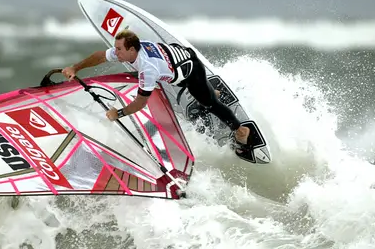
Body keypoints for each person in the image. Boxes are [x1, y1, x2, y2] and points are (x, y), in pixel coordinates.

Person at [61, 29, 251, 155]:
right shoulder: (133, 50)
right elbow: (100, 56)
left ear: (132, 49)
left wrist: (117, 114)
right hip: (175, 54)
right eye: (116, 48)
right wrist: (75, 68)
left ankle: (241, 130)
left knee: (210, 104)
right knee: (199, 94)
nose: (115, 52)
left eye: (119, 49)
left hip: (189, 71)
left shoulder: (147, 69)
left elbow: (140, 103)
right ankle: (210, 92)